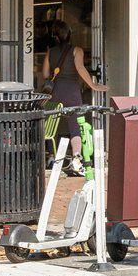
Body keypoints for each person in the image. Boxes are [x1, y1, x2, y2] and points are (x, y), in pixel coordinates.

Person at [42, 18, 104, 177]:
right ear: (69, 34)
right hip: (71, 91)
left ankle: (50, 157)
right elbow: (81, 69)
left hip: (54, 92)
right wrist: (93, 85)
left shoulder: (51, 51)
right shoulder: (77, 50)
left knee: (51, 124)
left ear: (55, 36)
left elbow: (45, 74)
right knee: (75, 125)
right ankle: (76, 159)